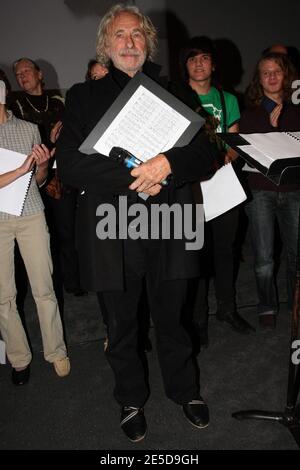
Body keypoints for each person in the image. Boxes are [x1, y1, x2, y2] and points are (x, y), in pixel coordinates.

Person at [56, 4, 217, 442]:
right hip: (112, 227)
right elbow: (69, 165)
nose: (129, 42)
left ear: (148, 42)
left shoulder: (174, 92)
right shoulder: (82, 96)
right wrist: (137, 176)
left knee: (173, 318)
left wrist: (167, 162)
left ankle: (185, 390)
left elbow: (207, 154)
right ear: (106, 45)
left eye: (137, 35)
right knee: (121, 323)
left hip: (169, 223)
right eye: (120, 35)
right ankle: (130, 398)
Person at [171, 36, 255, 349]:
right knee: (195, 254)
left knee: (225, 250)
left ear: (213, 63)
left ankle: (228, 309)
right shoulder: (177, 97)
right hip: (190, 188)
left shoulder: (227, 99)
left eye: (204, 57)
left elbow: (234, 143)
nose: (198, 63)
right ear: (185, 65)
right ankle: (198, 320)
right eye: (192, 58)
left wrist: (220, 162)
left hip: (222, 182)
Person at [0, 70, 70, 385]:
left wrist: (41, 166)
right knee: (4, 296)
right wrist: (21, 169)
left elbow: (39, 182)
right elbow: (20, 174)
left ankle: (56, 351)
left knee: (44, 287)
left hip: (30, 214)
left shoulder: (29, 129)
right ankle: (19, 359)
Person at [11, 57, 85, 299]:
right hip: (27, 180)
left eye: (27, 71)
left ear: (40, 74)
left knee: (66, 232)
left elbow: (73, 136)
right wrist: (49, 140)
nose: (22, 76)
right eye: (18, 73)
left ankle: (73, 282)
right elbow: (21, 146)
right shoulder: (14, 106)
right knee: (40, 236)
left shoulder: (57, 103)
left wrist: (58, 141)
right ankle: (47, 286)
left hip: (60, 177)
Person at [240, 52, 300, 328]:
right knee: (263, 256)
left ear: (286, 75)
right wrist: (271, 127)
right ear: (259, 79)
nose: (272, 77)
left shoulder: (297, 109)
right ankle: (266, 306)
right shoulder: (249, 114)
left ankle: (295, 303)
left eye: (277, 71)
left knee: (296, 254)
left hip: (294, 190)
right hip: (261, 191)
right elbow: (247, 155)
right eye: (266, 72)